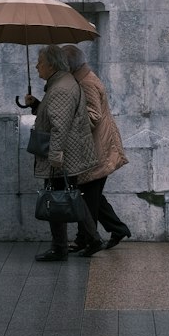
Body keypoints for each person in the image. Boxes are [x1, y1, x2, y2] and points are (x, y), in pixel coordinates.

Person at [23, 44, 101, 262]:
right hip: (66, 153)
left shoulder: (61, 88)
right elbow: (55, 116)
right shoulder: (60, 84)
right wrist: (37, 104)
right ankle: (92, 238)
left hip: (62, 154)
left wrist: (55, 155)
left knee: (54, 197)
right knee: (69, 193)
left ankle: (60, 247)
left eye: (40, 62)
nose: (36, 66)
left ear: (51, 64)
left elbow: (60, 125)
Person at [61, 44, 132, 250]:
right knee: (92, 195)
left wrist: (67, 123)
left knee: (87, 196)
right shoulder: (84, 78)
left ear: (69, 65)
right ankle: (117, 229)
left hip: (97, 150)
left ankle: (86, 238)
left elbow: (93, 115)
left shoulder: (85, 83)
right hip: (97, 147)